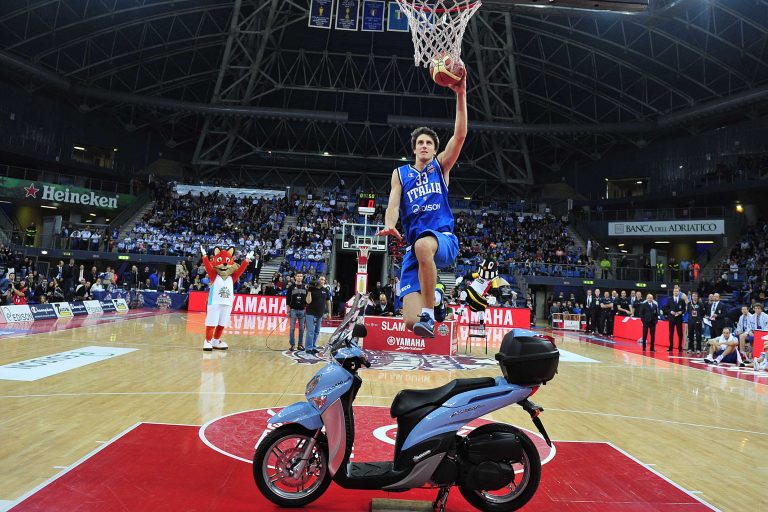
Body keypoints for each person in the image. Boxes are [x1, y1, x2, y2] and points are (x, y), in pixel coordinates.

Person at [375, 73, 467, 338]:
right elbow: (392, 205)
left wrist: (460, 93)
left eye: (429, 143)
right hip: (414, 250)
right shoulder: (401, 174)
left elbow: (460, 135)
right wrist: (389, 225)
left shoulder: (440, 167)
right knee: (410, 321)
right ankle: (433, 298)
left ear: (434, 149)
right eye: (420, 143)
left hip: (442, 240)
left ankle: (430, 309)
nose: (424, 146)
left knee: (423, 244)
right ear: (414, 149)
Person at [304, 276, 330, 355]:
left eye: (324, 280)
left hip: (320, 314)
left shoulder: (326, 290)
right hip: (310, 313)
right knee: (310, 331)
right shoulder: (311, 289)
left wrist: (329, 313)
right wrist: (309, 291)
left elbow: (328, 302)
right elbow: (308, 302)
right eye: (321, 279)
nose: (323, 281)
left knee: (317, 331)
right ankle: (308, 348)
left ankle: (313, 347)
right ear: (318, 280)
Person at [285, 272, 309, 351]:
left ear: (302, 277)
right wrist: (288, 311)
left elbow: (308, 299)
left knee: (302, 329)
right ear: (295, 277)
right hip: (293, 310)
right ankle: (292, 345)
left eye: (301, 276)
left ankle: (300, 344)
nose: (299, 277)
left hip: (302, 310)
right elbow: (287, 300)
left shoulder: (305, 287)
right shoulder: (291, 287)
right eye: (298, 276)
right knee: (292, 328)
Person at [666, 287, 686, 352]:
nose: (675, 292)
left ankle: (680, 347)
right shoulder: (669, 299)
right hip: (671, 318)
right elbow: (666, 308)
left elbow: (684, 309)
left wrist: (680, 312)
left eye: (677, 291)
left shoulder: (682, 300)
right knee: (671, 333)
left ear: (679, 292)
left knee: (680, 333)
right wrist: (670, 311)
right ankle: (670, 347)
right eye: (674, 291)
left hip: (679, 319)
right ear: (673, 292)